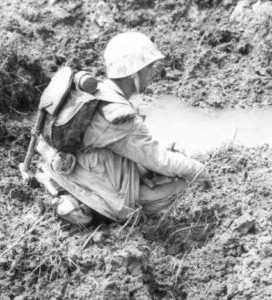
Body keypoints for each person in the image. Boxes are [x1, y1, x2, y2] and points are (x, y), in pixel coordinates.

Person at [40, 31, 211, 224]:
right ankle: (93, 208)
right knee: (184, 186)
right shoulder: (121, 116)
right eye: (149, 68)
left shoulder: (100, 92)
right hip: (94, 188)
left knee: (152, 171)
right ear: (134, 75)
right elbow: (162, 161)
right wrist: (203, 172)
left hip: (73, 168)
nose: (153, 73)